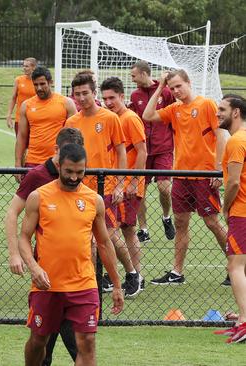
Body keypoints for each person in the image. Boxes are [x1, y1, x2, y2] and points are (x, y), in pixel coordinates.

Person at [20, 143, 124, 366]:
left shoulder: (94, 200)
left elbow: (105, 243)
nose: (75, 177)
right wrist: (34, 267)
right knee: (39, 341)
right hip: (47, 285)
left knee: (87, 342)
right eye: (69, 172)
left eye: (80, 172)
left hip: (83, 284)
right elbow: (24, 238)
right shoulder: (39, 197)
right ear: (58, 165)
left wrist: (116, 284)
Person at [5, 127, 84, 366]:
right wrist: (14, 254)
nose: (72, 175)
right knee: (41, 347)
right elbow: (11, 213)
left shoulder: (75, 173)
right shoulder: (38, 176)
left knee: (81, 346)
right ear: (57, 150)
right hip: (46, 276)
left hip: (76, 278)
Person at [143, 69, 228, 286]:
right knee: (180, 222)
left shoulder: (207, 104)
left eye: (179, 86)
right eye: (172, 88)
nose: (176, 91)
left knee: (212, 222)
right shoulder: (174, 109)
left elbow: (221, 135)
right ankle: (177, 272)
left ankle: (235, 266)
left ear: (189, 82)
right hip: (180, 174)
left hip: (204, 175)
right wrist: (160, 87)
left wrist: (218, 169)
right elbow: (148, 115)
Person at [64, 72, 140, 296]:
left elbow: (121, 152)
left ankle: (131, 273)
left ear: (93, 93)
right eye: (77, 94)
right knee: (86, 239)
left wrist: (119, 184)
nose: (81, 98)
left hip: (104, 188)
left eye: (85, 93)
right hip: (79, 189)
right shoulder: (72, 123)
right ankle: (95, 281)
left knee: (108, 235)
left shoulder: (109, 118)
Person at [101, 77, 148, 294]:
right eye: (105, 98)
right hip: (118, 184)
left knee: (119, 231)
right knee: (124, 230)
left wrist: (134, 182)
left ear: (122, 96)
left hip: (127, 185)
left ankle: (135, 276)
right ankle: (132, 276)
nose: (108, 102)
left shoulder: (129, 118)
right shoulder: (112, 118)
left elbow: (142, 151)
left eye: (112, 98)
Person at [129, 60, 176, 243]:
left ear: (143, 73)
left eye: (134, 75)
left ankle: (166, 217)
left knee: (164, 188)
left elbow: (173, 114)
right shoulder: (135, 95)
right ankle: (143, 229)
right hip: (143, 150)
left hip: (163, 147)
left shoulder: (165, 92)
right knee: (140, 191)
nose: (132, 79)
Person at [216, 94, 246, 342]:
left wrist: (226, 207)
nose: (218, 113)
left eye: (222, 109)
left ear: (236, 112)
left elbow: (234, 182)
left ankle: (244, 322)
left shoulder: (236, 141)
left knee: (235, 266)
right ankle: (241, 318)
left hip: (242, 212)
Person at [15, 66, 77, 170]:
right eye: (36, 84)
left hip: (57, 161)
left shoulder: (66, 103)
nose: (39, 88)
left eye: (42, 84)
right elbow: (21, 136)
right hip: (32, 161)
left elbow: (75, 136)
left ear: (50, 82)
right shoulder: (26, 105)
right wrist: (17, 163)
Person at [6, 57, 37, 133]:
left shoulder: (38, 81)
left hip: (35, 118)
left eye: (26, 66)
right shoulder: (18, 80)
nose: (24, 68)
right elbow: (13, 98)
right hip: (20, 118)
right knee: (20, 143)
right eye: (23, 66)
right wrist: (9, 115)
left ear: (33, 67)